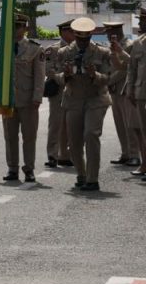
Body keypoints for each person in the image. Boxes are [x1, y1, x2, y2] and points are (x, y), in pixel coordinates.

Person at [54, 17, 111, 192]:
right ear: (74, 36)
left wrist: (95, 75)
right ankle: (82, 174)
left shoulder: (102, 52)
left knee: (91, 134)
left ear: (91, 36)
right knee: (75, 140)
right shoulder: (64, 52)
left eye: (86, 39)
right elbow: (55, 75)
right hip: (73, 99)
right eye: (80, 38)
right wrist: (66, 75)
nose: (83, 42)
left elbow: (108, 77)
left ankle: (93, 179)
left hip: (95, 99)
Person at [0, 14, 44, 183]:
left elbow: (39, 75)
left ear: (26, 28)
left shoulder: (35, 48)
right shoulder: (4, 48)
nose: (16, 29)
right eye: (13, 26)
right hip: (8, 100)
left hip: (28, 100)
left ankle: (29, 169)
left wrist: (37, 97)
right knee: (10, 136)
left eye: (19, 26)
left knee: (29, 136)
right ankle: (12, 168)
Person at [103, 21, 140, 168]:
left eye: (109, 32)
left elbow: (125, 69)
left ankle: (134, 155)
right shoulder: (112, 46)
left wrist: (108, 81)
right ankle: (125, 153)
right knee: (119, 124)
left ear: (116, 32)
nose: (107, 35)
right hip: (114, 90)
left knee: (130, 124)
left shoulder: (129, 45)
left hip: (126, 89)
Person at [43, 19, 75, 168]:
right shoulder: (53, 49)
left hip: (76, 90)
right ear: (63, 32)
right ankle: (52, 155)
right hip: (59, 91)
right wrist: (63, 77)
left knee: (71, 124)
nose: (74, 34)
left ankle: (66, 154)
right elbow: (48, 70)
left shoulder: (78, 48)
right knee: (56, 124)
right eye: (71, 31)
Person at [122, 7, 146, 176]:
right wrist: (130, 90)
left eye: (142, 21)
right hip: (141, 93)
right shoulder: (138, 43)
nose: (140, 24)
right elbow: (132, 69)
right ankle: (145, 166)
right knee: (142, 131)